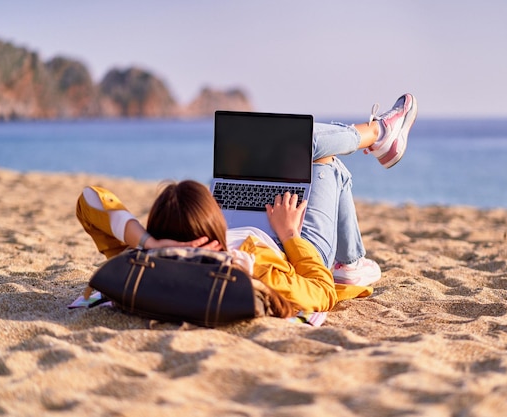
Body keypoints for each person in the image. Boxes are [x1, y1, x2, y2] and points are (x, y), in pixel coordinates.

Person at [76, 93, 418, 316]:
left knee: (298, 152)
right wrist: (288, 236)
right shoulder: (253, 268)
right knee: (320, 157)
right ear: (211, 235)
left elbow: (90, 199)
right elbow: (321, 292)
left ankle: (378, 136)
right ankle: (378, 134)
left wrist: (151, 243)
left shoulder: (146, 261)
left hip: (243, 233)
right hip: (295, 244)